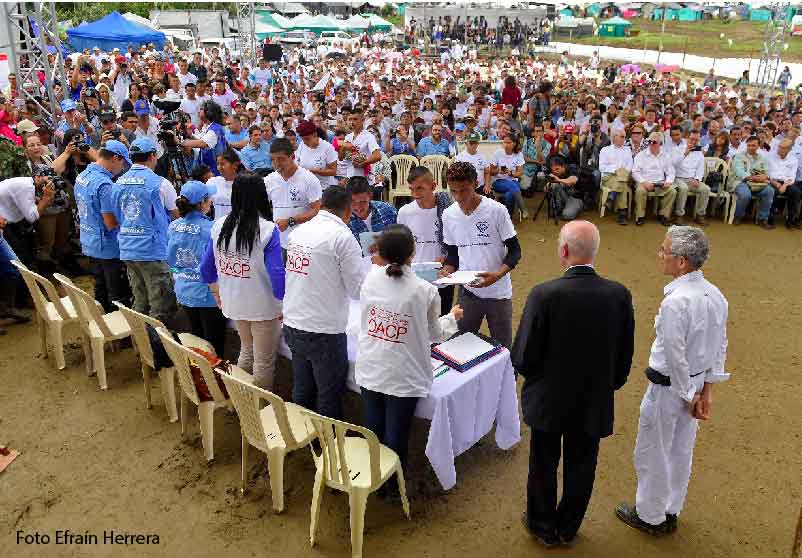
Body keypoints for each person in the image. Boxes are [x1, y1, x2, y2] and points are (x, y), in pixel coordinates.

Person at [513, 221, 634, 548]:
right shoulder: (619, 295)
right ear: (594, 252)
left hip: (548, 398)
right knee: (583, 464)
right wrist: (609, 385)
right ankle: (568, 526)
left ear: (564, 250)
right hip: (593, 398)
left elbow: (523, 355)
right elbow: (625, 355)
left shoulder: (544, 294)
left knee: (543, 462)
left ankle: (541, 524)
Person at [616, 226, 729, 537]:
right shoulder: (716, 295)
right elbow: (720, 346)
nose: (660, 255)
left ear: (681, 262)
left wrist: (688, 394)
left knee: (653, 450)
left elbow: (676, 356)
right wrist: (706, 391)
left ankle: (650, 515)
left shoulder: (676, 302)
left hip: (669, 389)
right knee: (681, 450)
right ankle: (670, 508)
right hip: (692, 385)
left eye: (664, 251)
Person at [356, 224, 462, 480]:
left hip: (371, 367)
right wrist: (453, 317)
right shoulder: (424, 290)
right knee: (396, 434)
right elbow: (434, 335)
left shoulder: (371, 278)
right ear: (412, 252)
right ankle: (393, 485)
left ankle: (374, 477)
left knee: (373, 427)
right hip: (403, 375)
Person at [283, 185, 365, 420]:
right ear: (348, 211)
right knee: (328, 394)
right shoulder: (342, 237)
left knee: (302, 386)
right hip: (323, 330)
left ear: (321, 206)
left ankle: (305, 436)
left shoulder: (298, 232)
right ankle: (328, 447)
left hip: (294, 321)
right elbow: (357, 289)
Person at [201, 173, 284, 388]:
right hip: (263, 307)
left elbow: (206, 268)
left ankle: (240, 401)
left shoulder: (219, 225)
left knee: (247, 351)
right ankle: (257, 411)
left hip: (235, 302)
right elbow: (277, 273)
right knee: (264, 362)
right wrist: (284, 303)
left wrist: (216, 293)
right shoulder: (267, 229)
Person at [441, 161, 521, 349]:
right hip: (468, 292)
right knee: (463, 346)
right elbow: (453, 253)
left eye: (464, 190)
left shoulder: (496, 211)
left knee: (503, 349)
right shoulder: (448, 215)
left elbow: (515, 251)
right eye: (454, 191)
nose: (459, 197)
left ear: (475, 183)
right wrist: (447, 270)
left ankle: (507, 377)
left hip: (498, 293)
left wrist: (497, 275)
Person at [105, 137, 178, 325]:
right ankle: (158, 350)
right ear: (152, 156)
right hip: (152, 251)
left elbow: (115, 216)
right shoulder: (161, 183)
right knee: (160, 305)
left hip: (128, 249)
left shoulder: (118, 183)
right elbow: (177, 216)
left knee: (140, 299)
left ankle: (141, 345)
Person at [168, 180, 227, 357]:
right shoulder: (212, 229)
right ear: (201, 203)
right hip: (209, 295)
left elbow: (171, 259)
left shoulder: (174, 226)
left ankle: (199, 375)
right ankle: (214, 379)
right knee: (214, 344)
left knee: (197, 339)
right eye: (209, 198)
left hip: (185, 290)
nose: (211, 201)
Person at [73, 141, 133, 312]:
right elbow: (110, 222)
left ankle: (105, 324)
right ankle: (122, 332)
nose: (122, 168)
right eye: (122, 163)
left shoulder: (83, 175)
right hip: (107, 247)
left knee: (100, 286)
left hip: (89, 241)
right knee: (117, 293)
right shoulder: (105, 185)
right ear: (115, 158)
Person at [397, 166, 454, 316]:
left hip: (443, 278)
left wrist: (447, 256)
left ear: (433, 186)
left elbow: (456, 243)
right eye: (412, 189)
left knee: (441, 323)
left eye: (420, 188)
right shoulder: (405, 212)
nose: (415, 194)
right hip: (415, 280)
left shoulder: (448, 211)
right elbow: (402, 247)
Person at [265, 138, 322, 250]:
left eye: (281, 159)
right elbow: (262, 207)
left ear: (293, 157)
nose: (276, 164)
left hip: (304, 242)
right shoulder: (268, 180)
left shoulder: (309, 179)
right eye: (273, 159)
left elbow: (317, 210)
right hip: (278, 242)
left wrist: (290, 221)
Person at [632, 132, 677, 226]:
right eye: (650, 141)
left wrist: (668, 182)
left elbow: (671, 172)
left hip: (660, 183)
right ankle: (640, 216)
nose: (651, 144)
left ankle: (663, 215)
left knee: (672, 191)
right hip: (644, 182)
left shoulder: (666, 155)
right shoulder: (641, 155)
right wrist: (643, 182)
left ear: (660, 143)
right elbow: (635, 172)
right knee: (640, 191)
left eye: (654, 142)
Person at [730, 135, 772, 228]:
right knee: (745, 195)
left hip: (757, 184)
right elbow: (739, 172)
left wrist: (764, 176)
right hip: (740, 181)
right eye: (749, 145)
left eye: (753, 145)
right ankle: (738, 216)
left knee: (769, 191)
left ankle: (762, 219)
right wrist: (753, 178)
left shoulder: (762, 158)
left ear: (758, 146)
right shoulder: (738, 156)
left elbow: (766, 172)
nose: (750, 148)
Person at [672, 129, 710, 226]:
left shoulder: (699, 152)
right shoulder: (678, 149)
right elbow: (672, 164)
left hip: (691, 179)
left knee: (705, 189)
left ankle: (700, 215)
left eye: (696, 140)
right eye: (692, 139)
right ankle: (679, 216)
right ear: (687, 138)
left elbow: (700, 169)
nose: (693, 142)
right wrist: (684, 153)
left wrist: (697, 179)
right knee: (683, 189)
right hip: (678, 177)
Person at [181, 100, 228, 175]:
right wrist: (191, 136)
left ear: (209, 112)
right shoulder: (209, 127)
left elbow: (202, 143)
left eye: (201, 109)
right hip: (209, 170)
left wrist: (181, 142)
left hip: (215, 172)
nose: (199, 111)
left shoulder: (215, 129)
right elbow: (202, 140)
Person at [346, 176, 398, 241]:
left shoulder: (388, 211)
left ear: (370, 196)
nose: (358, 207)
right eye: (353, 202)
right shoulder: (344, 221)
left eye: (363, 202)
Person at [598, 130, 633, 225]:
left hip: (623, 176)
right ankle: (622, 214)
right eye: (621, 136)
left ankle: (611, 197)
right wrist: (615, 170)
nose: (623, 139)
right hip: (609, 177)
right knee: (622, 182)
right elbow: (601, 167)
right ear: (614, 137)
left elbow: (630, 165)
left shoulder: (627, 150)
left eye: (624, 137)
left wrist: (622, 172)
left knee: (621, 180)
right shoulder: (605, 150)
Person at [489, 134, 528, 218]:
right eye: (504, 142)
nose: (505, 144)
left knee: (510, 194)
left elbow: (520, 173)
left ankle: (508, 216)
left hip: (513, 180)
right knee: (513, 186)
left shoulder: (519, 154)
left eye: (508, 142)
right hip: (498, 181)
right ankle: (523, 208)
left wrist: (511, 173)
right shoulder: (498, 153)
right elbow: (490, 171)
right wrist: (498, 171)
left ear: (514, 143)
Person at [295, 120, 338, 190]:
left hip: (324, 188)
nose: (304, 142)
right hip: (307, 188)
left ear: (315, 134)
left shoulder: (327, 147)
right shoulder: (302, 145)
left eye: (307, 139)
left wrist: (316, 171)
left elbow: (333, 171)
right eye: (302, 139)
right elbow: (297, 163)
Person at [207, 149, 242, 221]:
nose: (219, 168)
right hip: (218, 226)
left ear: (235, 165)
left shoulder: (245, 183)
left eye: (222, 164)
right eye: (218, 164)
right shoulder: (212, 182)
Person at [546, 155, 582, 221]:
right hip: (564, 195)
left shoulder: (572, 168)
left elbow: (572, 181)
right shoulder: (553, 172)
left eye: (557, 169)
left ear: (563, 166)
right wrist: (547, 186)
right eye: (553, 170)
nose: (555, 172)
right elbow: (546, 188)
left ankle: (570, 208)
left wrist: (558, 180)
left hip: (575, 198)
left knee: (566, 215)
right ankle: (558, 208)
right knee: (554, 186)